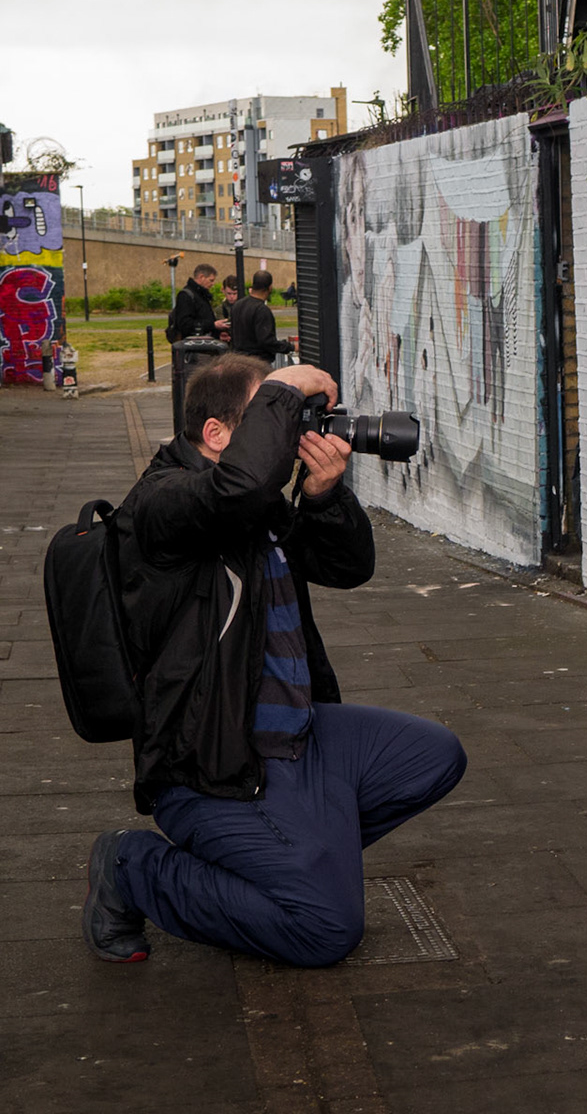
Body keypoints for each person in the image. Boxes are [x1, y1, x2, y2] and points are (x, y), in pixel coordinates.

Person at [82, 354, 466, 965]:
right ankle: (134, 866)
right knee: (325, 930)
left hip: (298, 738)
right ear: (217, 435)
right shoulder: (161, 505)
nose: (293, 433)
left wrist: (322, 495)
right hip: (212, 763)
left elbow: (346, 567)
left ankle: (283, 860)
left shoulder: (255, 506)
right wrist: (285, 386)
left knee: (434, 756)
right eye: (276, 418)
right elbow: (233, 489)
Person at [230, 270, 293, 360]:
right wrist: (289, 347)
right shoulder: (262, 310)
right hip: (257, 362)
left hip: (238, 360)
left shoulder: (237, 305)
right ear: (270, 287)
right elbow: (267, 341)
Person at [163, 264, 221, 344]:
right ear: (201, 277)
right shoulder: (186, 295)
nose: (213, 284)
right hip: (193, 345)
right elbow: (185, 324)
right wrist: (212, 325)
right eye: (211, 280)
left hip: (203, 343)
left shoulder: (201, 295)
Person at [218, 274, 241, 343]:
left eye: (235, 294)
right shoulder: (219, 309)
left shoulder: (245, 307)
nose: (232, 297)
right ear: (223, 290)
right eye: (229, 293)